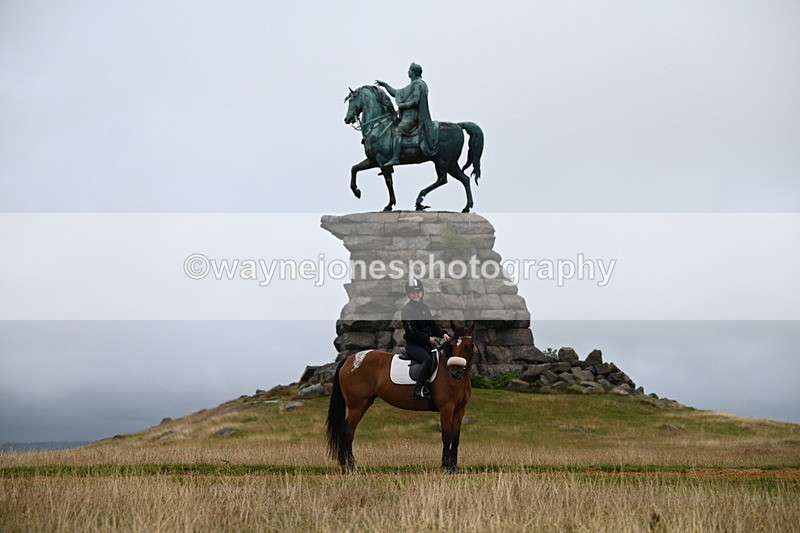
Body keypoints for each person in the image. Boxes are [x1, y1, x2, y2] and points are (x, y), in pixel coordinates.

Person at [375, 62, 438, 166]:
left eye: (409, 70)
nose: (407, 71)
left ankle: (395, 158)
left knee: (397, 131)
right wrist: (385, 85)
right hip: (406, 116)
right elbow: (396, 93)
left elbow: (416, 100)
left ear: (413, 72)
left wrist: (403, 106)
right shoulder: (411, 86)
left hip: (413, 117)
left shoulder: (419, 84)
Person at [401, 278, 451, 400]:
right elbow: (411, 331)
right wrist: (427, 338)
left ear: (422, 293)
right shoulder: (407, 310)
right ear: (409, 294)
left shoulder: (424, 308)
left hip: (426, 344)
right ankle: (418, 390)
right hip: (413, 345)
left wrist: (443, 333)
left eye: (418, 292)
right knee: (427, 360)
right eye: (413, 292)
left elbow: (432, 326)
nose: (416, 294)